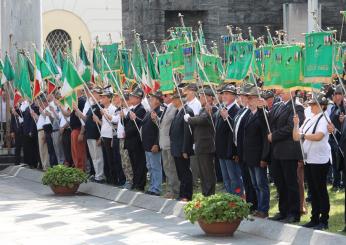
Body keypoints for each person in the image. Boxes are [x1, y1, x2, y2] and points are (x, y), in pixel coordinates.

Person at [293, 93, 331, 230]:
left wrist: (302, 135)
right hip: (309, 159)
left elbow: (319, 136)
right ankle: (314, 218)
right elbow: (296, 137)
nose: (312, 107)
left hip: (320, 159)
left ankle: (324, 220)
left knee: (320, 190)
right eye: (311, 104)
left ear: (322, 106)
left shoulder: (324, 119)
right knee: (313, 191)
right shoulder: (309, 118)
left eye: (314, 104)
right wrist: (296, 125)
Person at [268, 90, 305, 223]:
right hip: (277, 150)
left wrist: (274, 135)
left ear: (292, 92)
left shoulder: (297, 107)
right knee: (280, 182)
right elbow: (270, 121)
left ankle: (294, 212)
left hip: (288, 150)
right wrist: (261, 109)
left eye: (284, 90)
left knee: (290, 182)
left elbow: (291, 127)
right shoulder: (278, 105)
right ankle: (283, 210)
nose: (281, 93)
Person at [243, 86, 270, 218]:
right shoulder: (249, 114)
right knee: (255, 184)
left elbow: (265, 138)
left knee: (261, 183)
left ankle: (263, 209)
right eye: (247, 98)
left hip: (259, 156)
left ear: (258, 99)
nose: (248, 101)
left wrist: (264, 157)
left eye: (250, 98)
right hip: (250, 156)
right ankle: (259, 207)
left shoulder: (262, 114)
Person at [185, 86, 216, 196]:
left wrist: (189, 119)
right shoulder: (203, 109)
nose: (201, 98)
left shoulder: (211, 108)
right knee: (203, 173)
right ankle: (205, 193)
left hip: (206, 146)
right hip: (200, 145)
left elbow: (202, 119)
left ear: (209, 98)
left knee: (207, 173)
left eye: (203, 96)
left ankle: (209, 194)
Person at [215, 84, 243, 196]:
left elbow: (236, 130)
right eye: (223, 94)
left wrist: (228, 118)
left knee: (234, 178)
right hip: (222, 150)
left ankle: (237, 201)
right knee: (226, 179)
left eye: (227, 94)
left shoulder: (237, 109)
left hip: (231, 151)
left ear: (234, 96)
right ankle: (229, 201)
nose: (224, 96)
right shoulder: (222, 108)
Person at [234, 83, 257, 211]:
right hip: (241, 151)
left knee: (251, 181)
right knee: (247, 181)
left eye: (244, 95)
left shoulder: (251, 111)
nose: (242, 98)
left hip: (249, 152)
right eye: (241, 95)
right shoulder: (242, 110)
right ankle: (249, 203)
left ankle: (253, 204)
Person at [169, 89, 194, 201]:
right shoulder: (178, 111)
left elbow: (187, 133)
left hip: (182, 149)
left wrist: (185, 150)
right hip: (176, 147)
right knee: (180, 173)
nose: (172, 101)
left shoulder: (187, 111)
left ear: (179, 99)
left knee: (185, 172)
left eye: (174, 98)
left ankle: (186, 195)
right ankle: (182, 193)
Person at [156, 92, 180, 199]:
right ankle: (170, 189)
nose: (163, 97)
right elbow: (162, 126)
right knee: (166, 168)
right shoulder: (166, 108)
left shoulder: (174, 108)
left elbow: (171, 123)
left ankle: (174, 190)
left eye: (165, 96)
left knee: (172, 168)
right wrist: (156, 119)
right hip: (163, 142)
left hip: (170, 143)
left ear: (171, 97)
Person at [124, 87, 147, 191]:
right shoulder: (132, 109)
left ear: (138, 98)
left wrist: (135, 118)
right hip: (130, 141)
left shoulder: (141, 109)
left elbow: (140, 124)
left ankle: (140, 184)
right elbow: (127, 124)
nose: (130, 98)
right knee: (133, 163)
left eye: (133, 96)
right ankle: (135, 182)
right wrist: (123, 117)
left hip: (136, 141)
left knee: (139, 163)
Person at [142, 91, 165, 196]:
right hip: (147, 144)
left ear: (157, 100)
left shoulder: (160, 111)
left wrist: (157, 144)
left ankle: (157, 188)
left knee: (156, 167)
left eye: (152, 98)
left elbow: (160, 129)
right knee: (150, 167)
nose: (150, 100)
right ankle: (152, 186)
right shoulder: (150, 111)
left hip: (154, 144)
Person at [94, 88, 117, 185]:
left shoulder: (113, 109)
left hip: (110, 137)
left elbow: (113, 124)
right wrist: (97, 120)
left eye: (103, 97)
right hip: (104, 136)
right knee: (106, 159)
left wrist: (105, 114)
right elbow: (103, 124)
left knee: (111, 159)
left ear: (109, 98)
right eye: (101, 97)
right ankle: (108, 177)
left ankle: (113, 179)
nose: (101, 99)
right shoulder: (104, 109)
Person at [111, 92, 133, 189]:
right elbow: (116, 122)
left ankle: (130, 180)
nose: (121, 102)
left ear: (128, 100)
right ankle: (127, 180)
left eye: (123, 100)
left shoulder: (130, 110)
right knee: (123, 161)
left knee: (127, 161)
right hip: (120, 138)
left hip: (127, 139)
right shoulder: (122, 110)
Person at [184, 83, 202, 189]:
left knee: (193, 159)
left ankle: (194, 180)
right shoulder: (186, 102)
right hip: (186, 132)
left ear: (192, 91)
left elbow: (195, 118)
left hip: (193, 132)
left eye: (187, 90)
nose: (185, 92)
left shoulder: (196, 103)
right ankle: (189, 179)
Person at [328, 84, 345, 191]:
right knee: (335, 163)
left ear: (343, 95)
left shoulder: (344, 107)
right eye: (336, 94)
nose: (337, 96)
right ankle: (336, 183)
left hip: (342, 139)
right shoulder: (334, 107)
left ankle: (343, 183)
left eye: (339, 94)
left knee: (342, 162)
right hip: (332, 139)